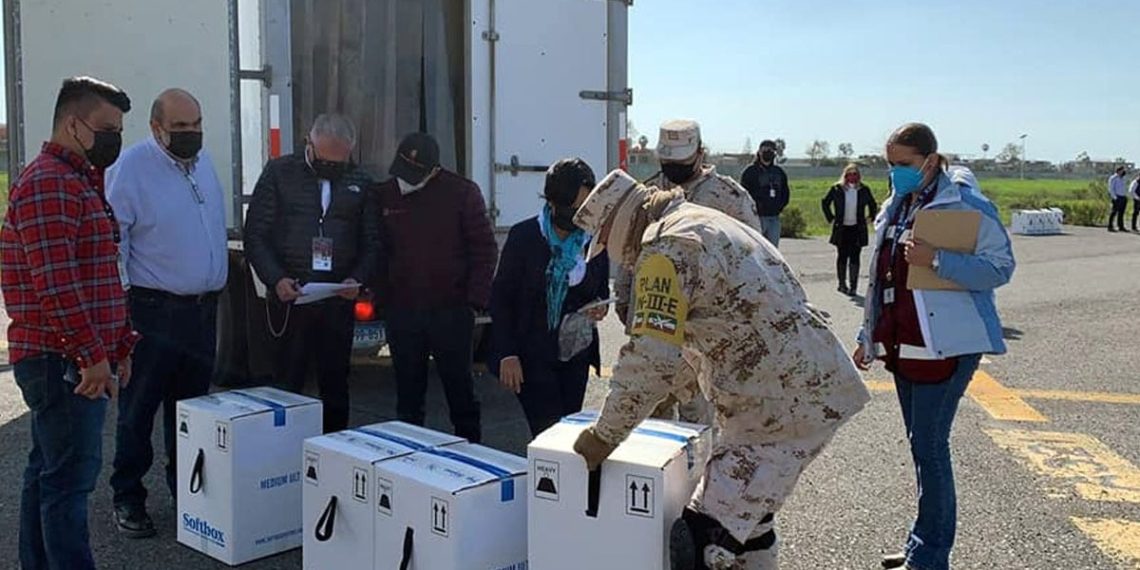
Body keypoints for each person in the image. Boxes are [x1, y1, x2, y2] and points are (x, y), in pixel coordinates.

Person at [571, 169, 870, 570]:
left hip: (777, 406)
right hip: (800, 389)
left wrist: (604, 436)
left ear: (620, 221)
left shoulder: (666, 250)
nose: (611, 253)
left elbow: (651, 359)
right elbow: (685, 351)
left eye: (605, 240)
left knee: (703, 540)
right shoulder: (702, 220)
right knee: (747, 524)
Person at [854, 123, 1015, 570]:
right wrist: (866, 335)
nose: (895, 173)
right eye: (889, 165)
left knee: (930, 446)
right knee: (920, 446)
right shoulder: (898, 203)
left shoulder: (963, 204)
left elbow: (1000, 267)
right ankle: (919, 546)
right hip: (905, 345)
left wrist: (939, 260)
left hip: (945, 347)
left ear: (929, 160)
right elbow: (880, 276)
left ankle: (929, 557)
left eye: (903, 165)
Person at [0, 76, 137, 570]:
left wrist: (120, 343)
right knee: (69, 484)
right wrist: (91, 356)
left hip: (73, 357)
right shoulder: (50, 183)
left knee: (47, 473)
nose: (114, 139)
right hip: (62, 363)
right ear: (73, 124)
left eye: (118, 129)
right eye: (106, 128)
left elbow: (101, 274)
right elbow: (56, 286)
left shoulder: (80, 181)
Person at [104, 88, 228, 537]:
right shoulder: (132, 168)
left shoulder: (203, 162)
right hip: (152, 311)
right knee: (139, 408)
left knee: (191, 410)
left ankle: (190, 495)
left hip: (201, 312)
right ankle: (128, 497)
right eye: (180, 127)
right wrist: (120, 315)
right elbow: (115, 243)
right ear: (156, 128)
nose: (191, 133)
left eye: (196, 125)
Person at [244, 113, 381, 433]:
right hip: (291, 298)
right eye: (324, 159)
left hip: (336, 299)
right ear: (309, 143)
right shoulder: (279, 173)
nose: (331, 167)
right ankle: (282, 450)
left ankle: (334, 449)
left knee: (335, 384)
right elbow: (256, 235)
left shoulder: (360, 182)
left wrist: (357, 279)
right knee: (287, 381)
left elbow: (373, 241)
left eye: (340, 161)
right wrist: (276, 279)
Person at [628, 119, 764, 424]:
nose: (673, 168)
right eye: (668, 162)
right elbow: (632, 251)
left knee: (698, 423)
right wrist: (625, 297)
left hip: (706, 333)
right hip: (655, 324)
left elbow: (755, 261)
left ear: (700, 154)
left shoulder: (729, 198)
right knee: (650, 422)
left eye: (680, 161)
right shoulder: (649, 193)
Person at [376, 132, 498, 443]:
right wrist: (380, 295)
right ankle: (409, 458)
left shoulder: (462, 193)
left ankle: (471, 455)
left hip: (451, 311)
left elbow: (484, 249)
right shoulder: (385, 194)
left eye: (415, 175)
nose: (407, 182)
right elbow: (376, 248)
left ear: (434, 170)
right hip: (403, 311)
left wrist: (473, 302)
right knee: (408, 397)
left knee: (461, 393)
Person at [490, 158, 610, 436]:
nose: (579, 215)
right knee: (547, 433)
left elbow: (600, 288)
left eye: (585, 208)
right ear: (553, 201)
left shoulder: (593, 240)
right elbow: (501, 298)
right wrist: (508, 353)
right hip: (533, 356)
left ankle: (568, 480)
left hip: (575, 353)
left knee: (569, 433)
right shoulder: (525, 237)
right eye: (573, 207)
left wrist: (599, 307)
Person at [821, 163, 879, 295]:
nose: (852, 176)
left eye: (855, 174)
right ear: (845, 175)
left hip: (857, 228)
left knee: (855, 256)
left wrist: (871, 217)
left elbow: (872, 204)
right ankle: (842, 284)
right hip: (842, 228)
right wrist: (831, 218)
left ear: (858, 176)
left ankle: (853, 286)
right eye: (849, 174)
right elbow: (825, 202)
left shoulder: (864, 189)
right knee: (842, 255)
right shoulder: (837, 189)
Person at [740, 139, 790, 247]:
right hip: (756, 218)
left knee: (772, 251)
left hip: (774, 218)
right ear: (759, 152)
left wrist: (779, 207)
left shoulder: (779, 172)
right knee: (756, 249)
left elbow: (785, 193)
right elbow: (743, 194)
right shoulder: (750, 172)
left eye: (771, 150)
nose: (768, 152)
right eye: (765, 149)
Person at [1107, 165, 1128, 232]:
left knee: (1121, 213)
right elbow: (1111, 189)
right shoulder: (1113, 178)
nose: (1123, 171)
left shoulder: (1123, 178)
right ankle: (1110, 226)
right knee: (1114, 212)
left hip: (1123, 196)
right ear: (1119, 170)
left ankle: (1120, 226)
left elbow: (1124, 187)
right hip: (1117, 197)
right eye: (1122, 170)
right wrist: (1115, 197)